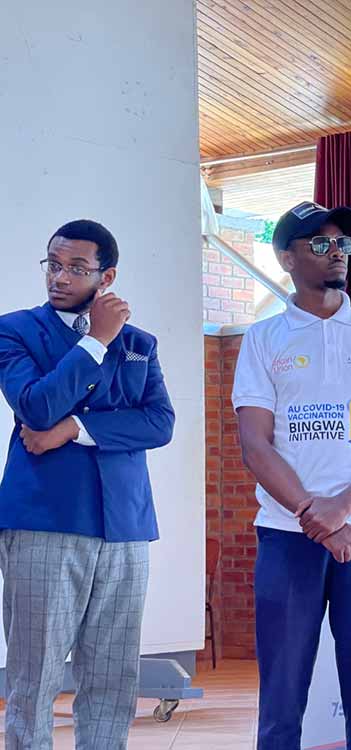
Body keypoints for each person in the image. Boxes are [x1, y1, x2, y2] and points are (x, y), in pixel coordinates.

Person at [233, 201, 351, 750]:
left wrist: (345, 508)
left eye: (343, 244)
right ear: (286, 257)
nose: (336, 252)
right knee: (282, 698)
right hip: (290, 538)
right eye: (319, 243)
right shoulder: (264, 339)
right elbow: (254, 444)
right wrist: (316, 514)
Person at [0, 219, 175, 749]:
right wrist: (97, 341)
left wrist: (75, 428)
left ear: (107, 276)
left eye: (77, 268)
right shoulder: (17, 330)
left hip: (125, 525)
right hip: (45, 521)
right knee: (36, 674)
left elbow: (159, 423)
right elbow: (34, 405)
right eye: (54, 264)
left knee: (113, 675)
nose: (60, 276)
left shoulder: (141, 343)